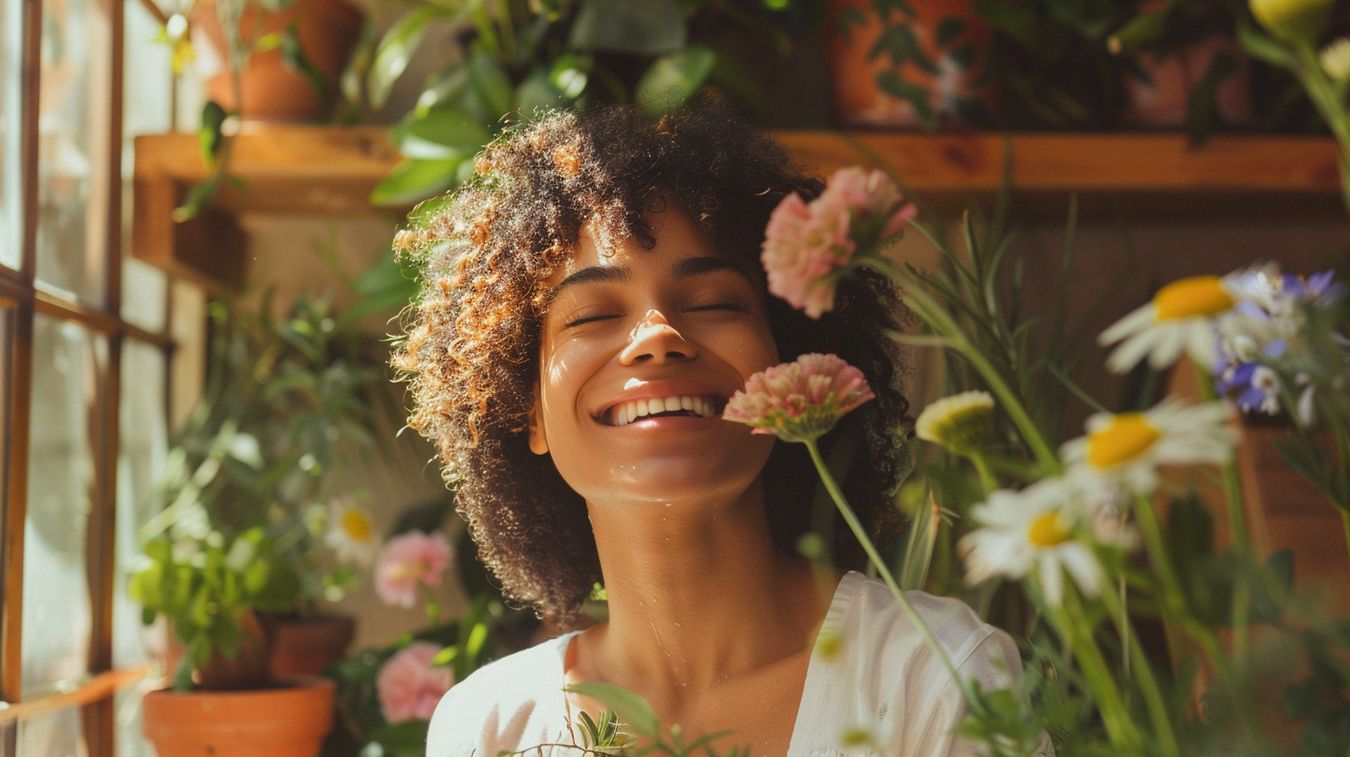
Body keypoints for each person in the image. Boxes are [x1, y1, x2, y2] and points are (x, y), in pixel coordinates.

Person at [394, 102, 1021, 755]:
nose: (658, 335)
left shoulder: (940, 678)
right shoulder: (490, 726)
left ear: (791, 355)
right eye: (591, 314)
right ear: (527, 410)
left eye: (716, 302)